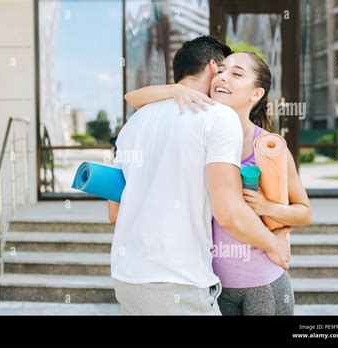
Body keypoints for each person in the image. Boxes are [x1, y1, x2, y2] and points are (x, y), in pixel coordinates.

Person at [107, 36, 291, 315]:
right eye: (224, 70)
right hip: (179, 284)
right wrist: (272, 245)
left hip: (127, 280)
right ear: (212, 68)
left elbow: (114, 211)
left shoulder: (134, 123)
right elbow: (228, 211)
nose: (225, 79)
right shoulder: (217, 116)